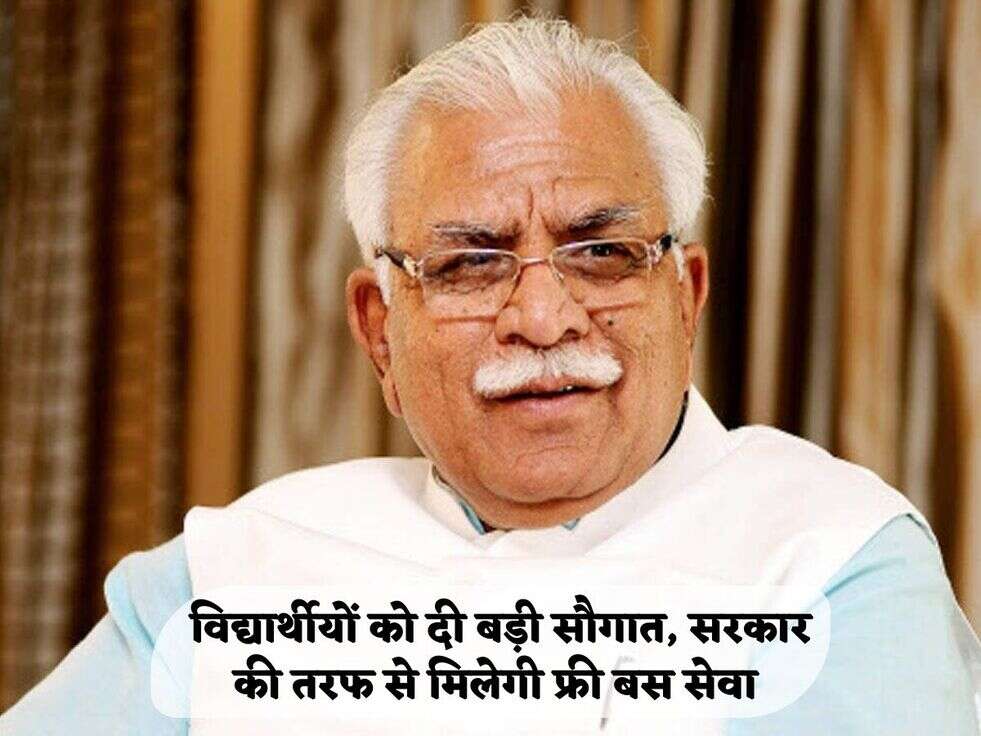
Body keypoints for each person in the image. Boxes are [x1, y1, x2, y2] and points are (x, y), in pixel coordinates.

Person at [2, 17, 978, 736]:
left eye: (600, 253)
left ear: (685, 296)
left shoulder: (828, 561)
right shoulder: (227, 576)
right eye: (471, 263)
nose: (543, 318)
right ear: (380, 332)